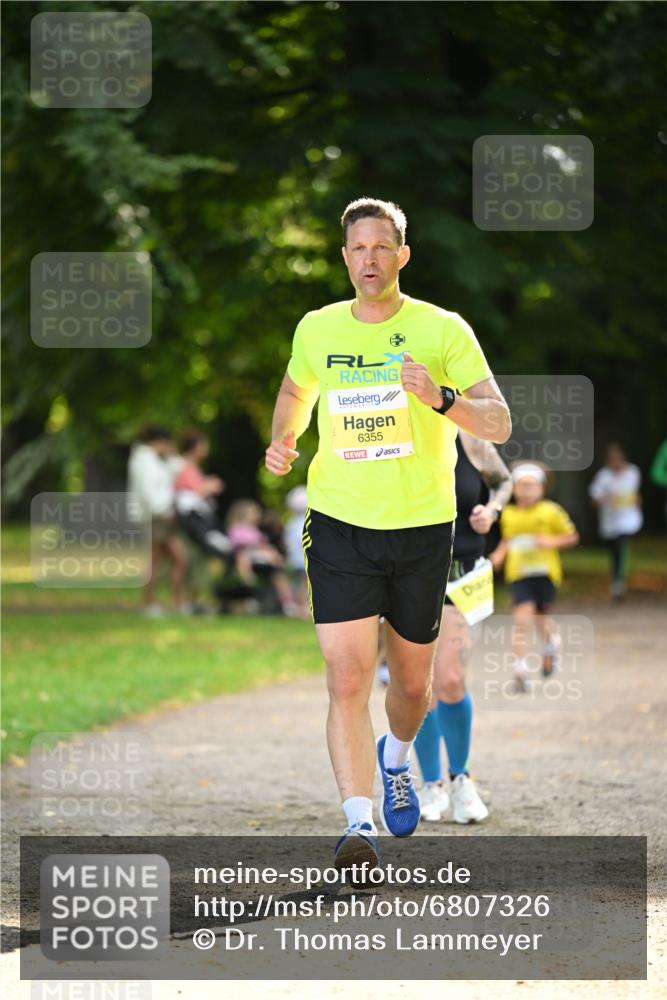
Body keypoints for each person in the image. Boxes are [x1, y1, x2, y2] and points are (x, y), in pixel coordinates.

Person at [264, 197, 510, 872]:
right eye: (357, 248)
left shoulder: (442, 329)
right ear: (344, 257)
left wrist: (442, 399)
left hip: (421, 529)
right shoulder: (317, 328)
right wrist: (284, 438)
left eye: (380, 247)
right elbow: (294, 393)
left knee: (410, 687)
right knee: (346, 675)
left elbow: (499, 421)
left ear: (401, 255)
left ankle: (397, 758)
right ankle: (357, 824)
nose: (368, 259)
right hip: (338, 523)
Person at [414, 431, 512, 824]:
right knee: (416, 684)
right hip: (407, 571)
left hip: (460, 571)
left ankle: (461, 779)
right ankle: (430, 784)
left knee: (450, 679)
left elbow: (503, 481)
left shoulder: (468, 437)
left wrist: (493, 510)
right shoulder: (396, 432)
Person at [490, 464, 579, 692]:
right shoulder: (509, 513)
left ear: (542, 488)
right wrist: (498, 556)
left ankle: (552, 642)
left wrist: (551, 541)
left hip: (545, 574)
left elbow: (572, 537)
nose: (527, 490)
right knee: (522, 620)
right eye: (522, 485)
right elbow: (508, 540)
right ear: (514, 488)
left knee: (540, 618)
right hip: (519, 574)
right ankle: (520, 671)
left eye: (532, 485)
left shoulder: (551, 511)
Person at [127, 425, 187, 617]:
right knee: (162, 560)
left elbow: (178, 468)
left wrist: (172, 454)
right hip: (155, 517)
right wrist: (162, 511)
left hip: (161, 516)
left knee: (169, 559)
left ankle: (172, 602)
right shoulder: (144, 461)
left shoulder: (155, 459)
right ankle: (152, 603)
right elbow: (148, 491)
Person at [173, 430, 228, 612]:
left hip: (198, 519)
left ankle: (194, 601)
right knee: (188, 560)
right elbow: (186, 493)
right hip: (190, 522)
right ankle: (183, 602)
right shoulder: (182, 466)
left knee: (198, 561)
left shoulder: (192, 467)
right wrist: (209, 487)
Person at [225, 499, 299, 615]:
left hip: (259, 557)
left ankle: (288, 601)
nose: (258, 516)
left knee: (278, 573)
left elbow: (262, 543)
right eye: (254, 513)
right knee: (242, 556)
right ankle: (248, 580)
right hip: (247, 555)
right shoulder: (236, 528)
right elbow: (239, 543)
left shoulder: (255, 530)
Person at [589, 443, 643, 598]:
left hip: (628, 519)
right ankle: (617, 579)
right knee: (615, 550)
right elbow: (594, 499)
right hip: (610, 520)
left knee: (621, 546)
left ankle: (619, 582)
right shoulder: (603, 476)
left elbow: (635, 492)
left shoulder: (633, 472)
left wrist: (636, 500)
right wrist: (608, 498)